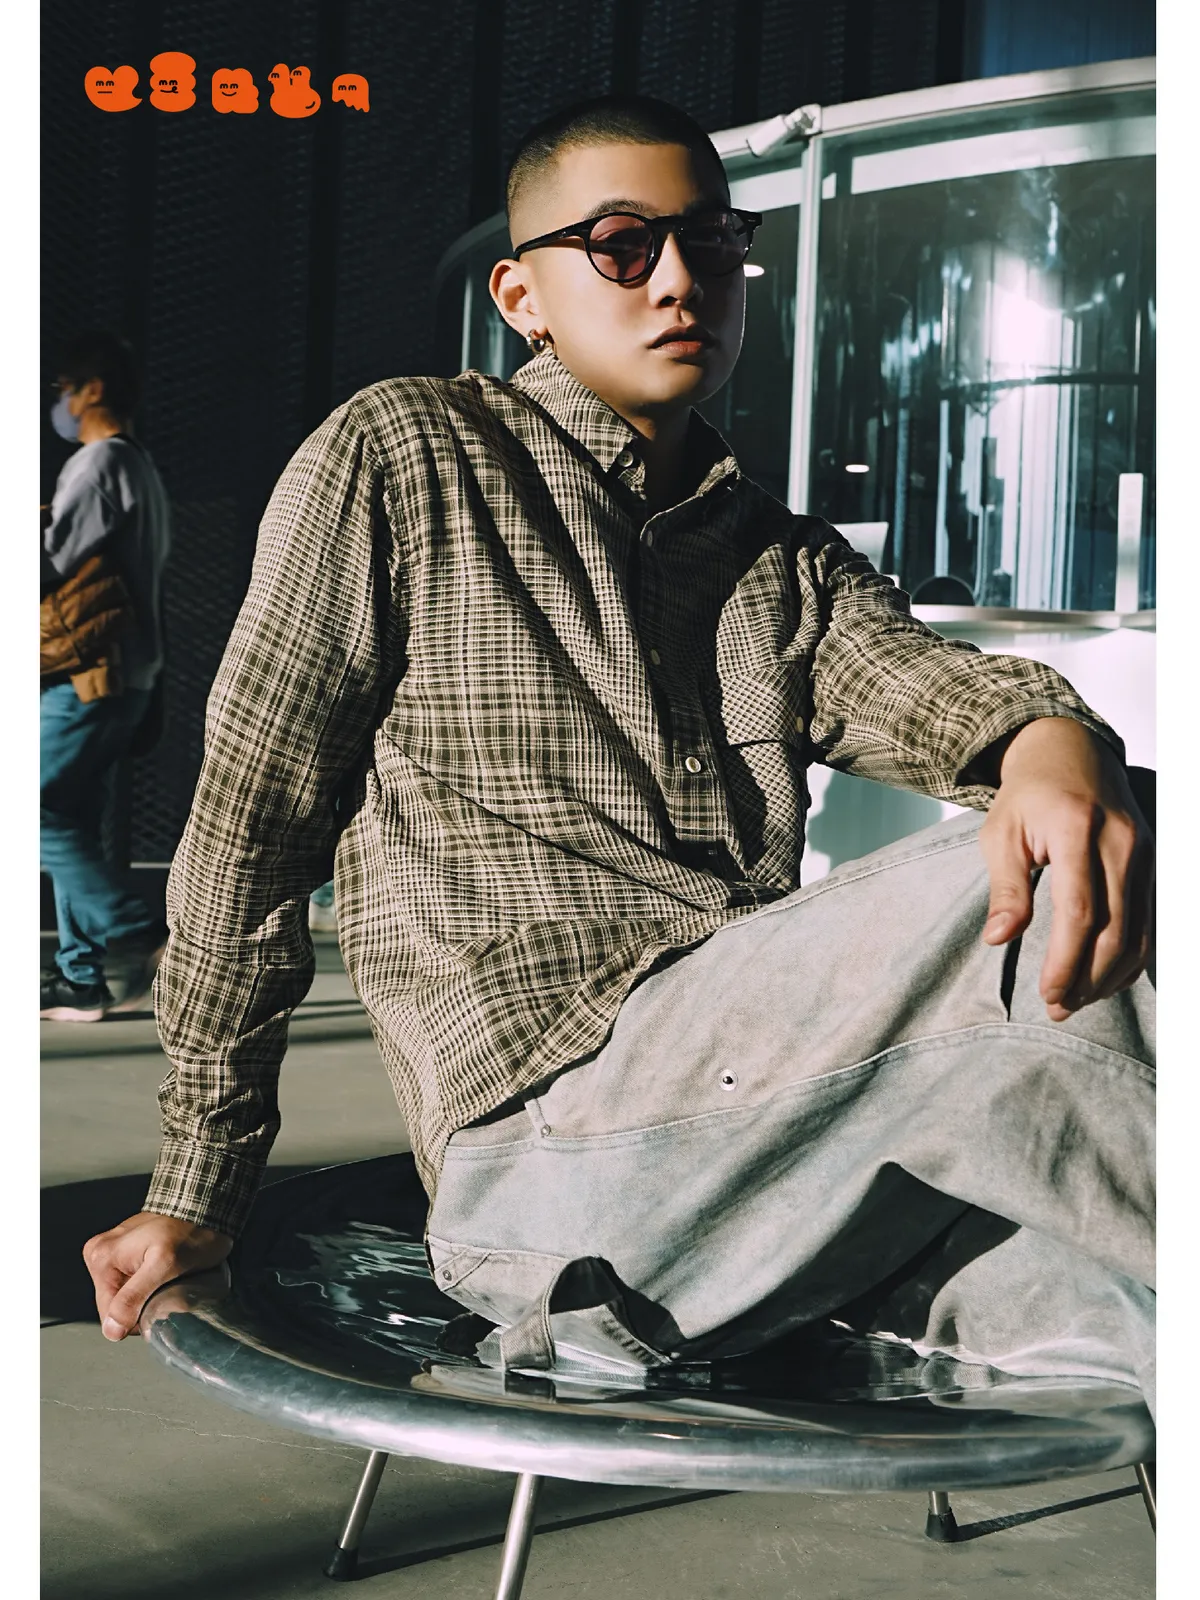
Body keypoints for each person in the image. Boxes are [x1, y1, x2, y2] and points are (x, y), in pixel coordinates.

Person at [83, 97, 1154, 1413]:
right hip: (553, 1167)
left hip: (783, 1171)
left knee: (1139, 1308)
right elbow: (253, 828)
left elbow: (931, 689)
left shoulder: (779, 561)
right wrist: (197, 1184)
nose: (681, 279)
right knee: (1040, 882)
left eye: (712, 242)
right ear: (521, 295)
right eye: (623, 245)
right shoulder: (411, 453)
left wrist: (1049, 736)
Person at [41, 331, 171, 1021]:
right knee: (69, 816)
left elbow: (49, 562)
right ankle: (80, 978)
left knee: (33, 807)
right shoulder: (140, 467)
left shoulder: (97, 464)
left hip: (89, 674)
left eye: (64, 389)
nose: (59, 403)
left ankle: (139, 934)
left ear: (91, 391)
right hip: (129, 674)